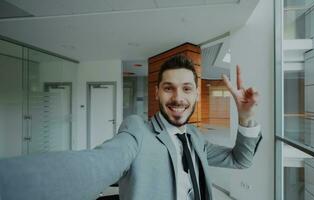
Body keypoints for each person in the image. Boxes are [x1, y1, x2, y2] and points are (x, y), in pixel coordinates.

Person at [0, 55, 262, 200]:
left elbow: (241, 160)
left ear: (195, 95)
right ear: (157, 92)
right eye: (168, 88)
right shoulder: (138, 131)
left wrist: (245, 116)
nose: (178, 98)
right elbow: (98, 163)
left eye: (187, 89)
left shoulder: (195, 137)